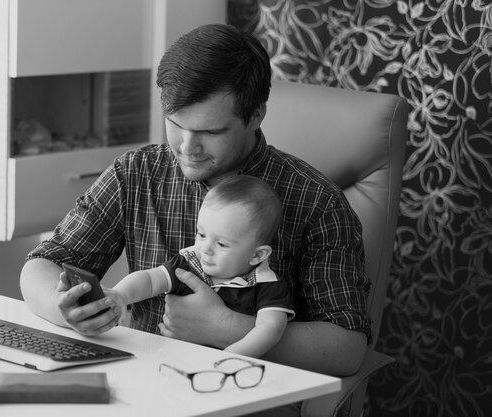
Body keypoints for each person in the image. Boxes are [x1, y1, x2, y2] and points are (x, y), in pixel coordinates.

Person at [20, 23, 370, 384]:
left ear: (256, 116)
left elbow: (348, 348)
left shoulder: (316, 200)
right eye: (175, 124)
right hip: (141, 383)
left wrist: (225, 327)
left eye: (210, 132)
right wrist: (62, 308)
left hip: (248, 392)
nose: (187, 148)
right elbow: (43, 264)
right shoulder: (136, 173)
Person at [97, 175, 294, 358]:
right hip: (173, 363)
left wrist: (230, 356)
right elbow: (149, 279)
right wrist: (120, 295)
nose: (205, 249)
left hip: (230, 374)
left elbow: (270, 329)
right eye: (201, 234)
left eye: (222, 244)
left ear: (257, 254)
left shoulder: (268, 285)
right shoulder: (190, 263)